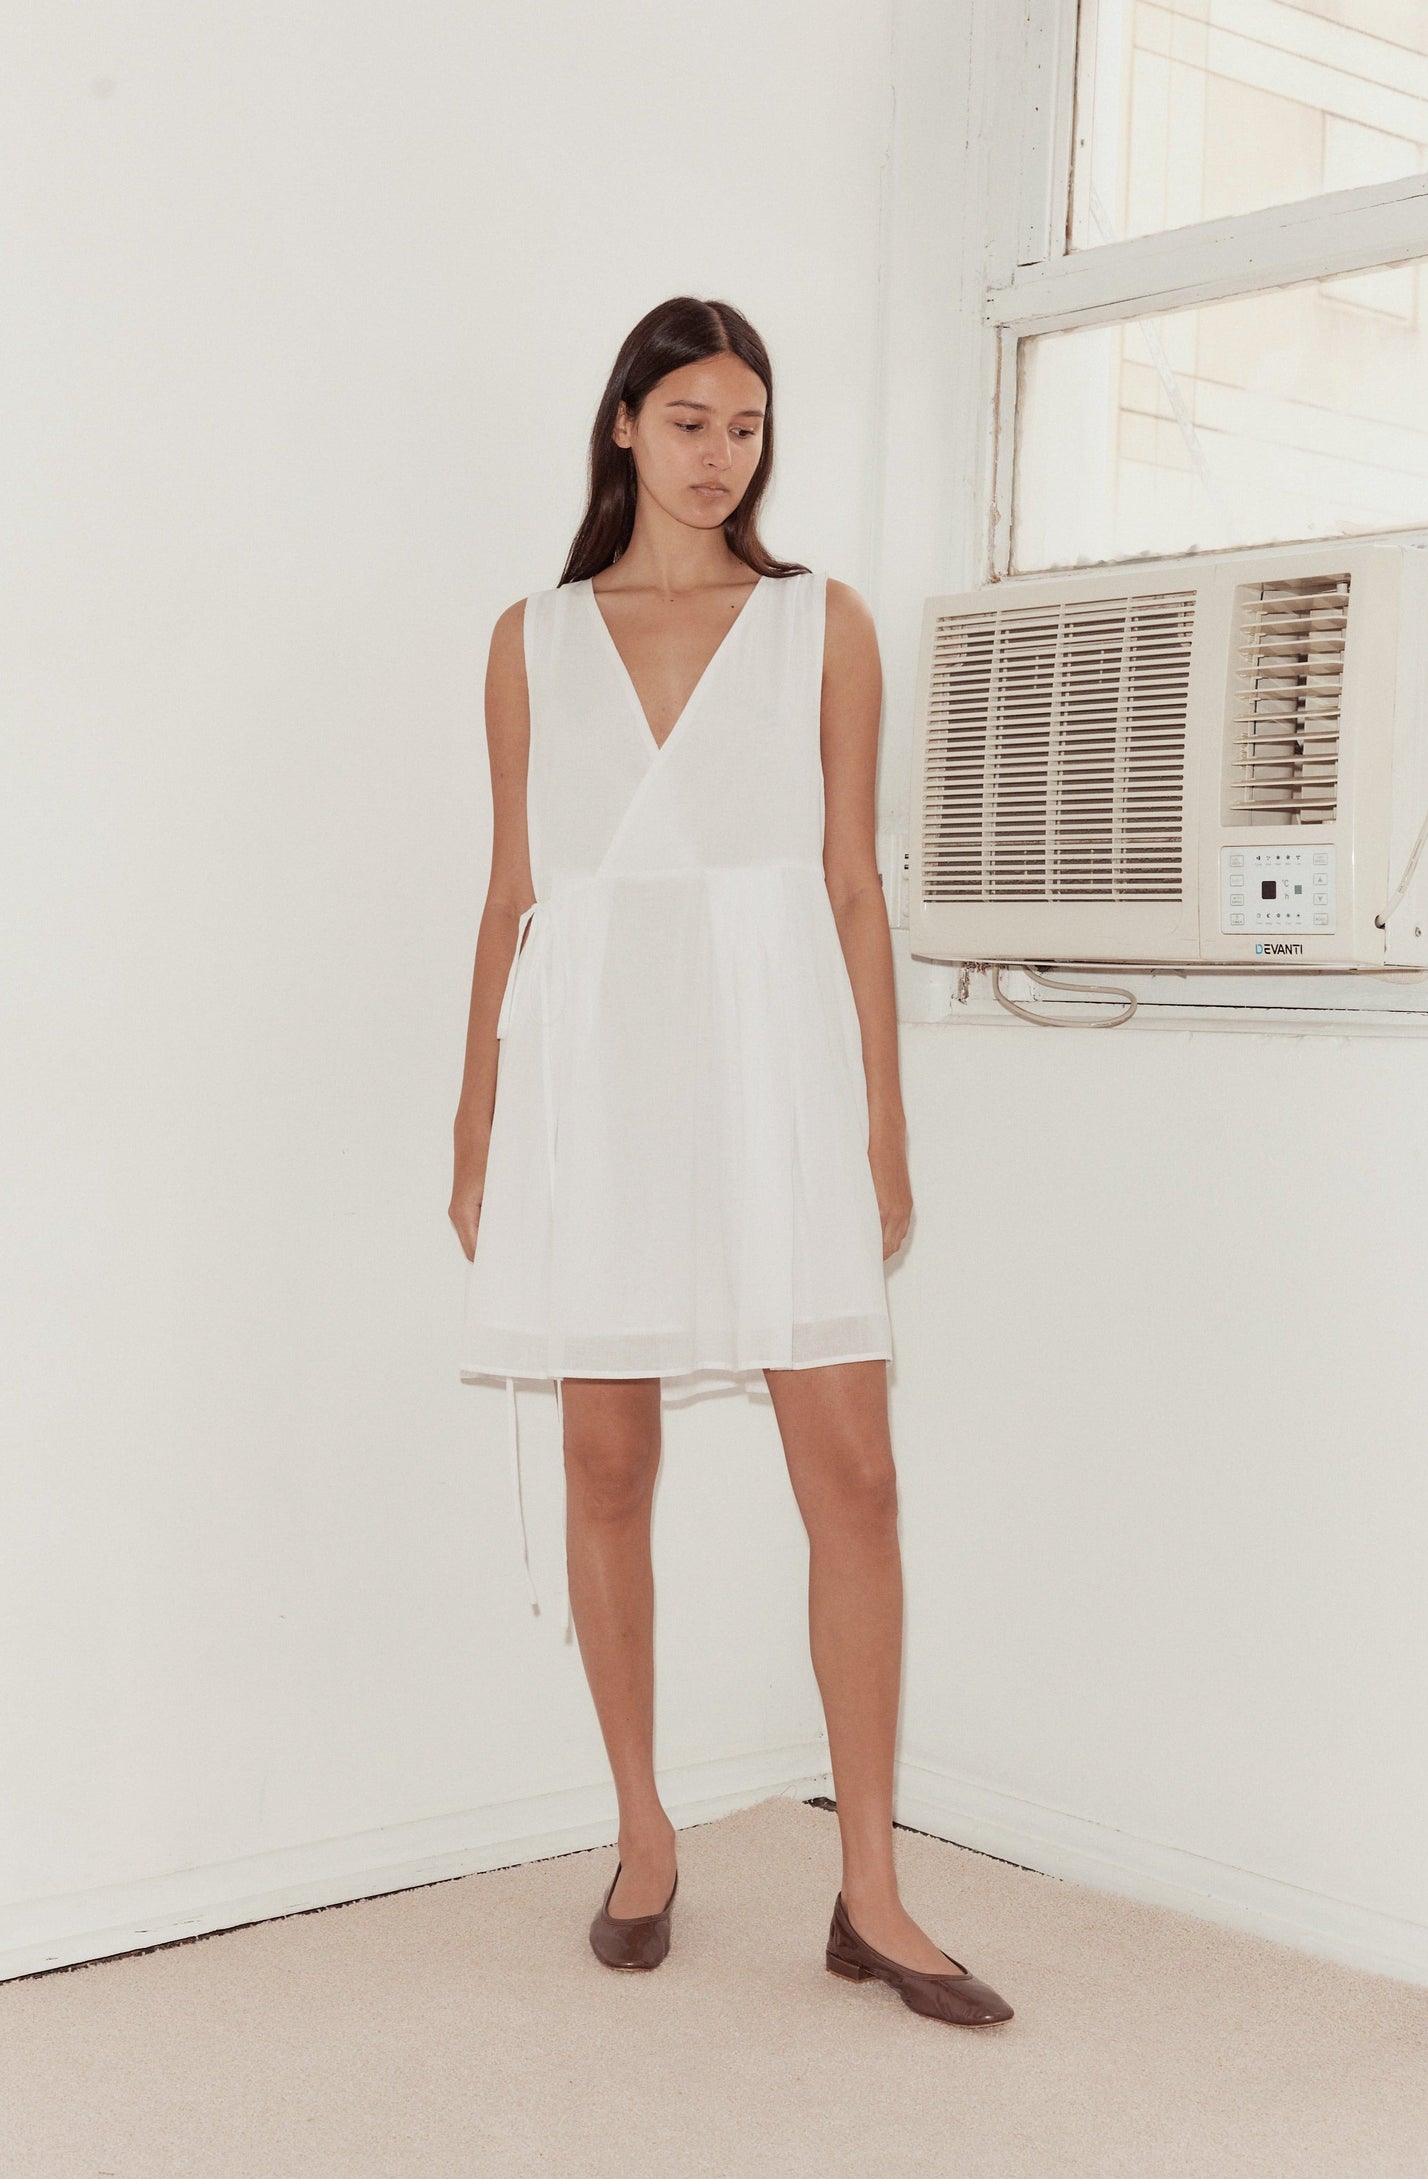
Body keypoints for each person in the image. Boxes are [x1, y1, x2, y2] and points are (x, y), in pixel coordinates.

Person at [450, 296, 1012, 2027]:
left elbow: (852, 883)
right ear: (622, 425)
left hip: (773, 1069)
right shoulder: (529, 636)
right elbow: (511, 890)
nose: (719, 452)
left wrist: (882, 1116)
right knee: (605, 1463)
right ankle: (641, 1832)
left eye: (746, 423)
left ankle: (872, 1894)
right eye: (687, 417)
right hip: (593, 1074)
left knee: (854, 1478)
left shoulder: (817, 624)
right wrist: (476, 1114)